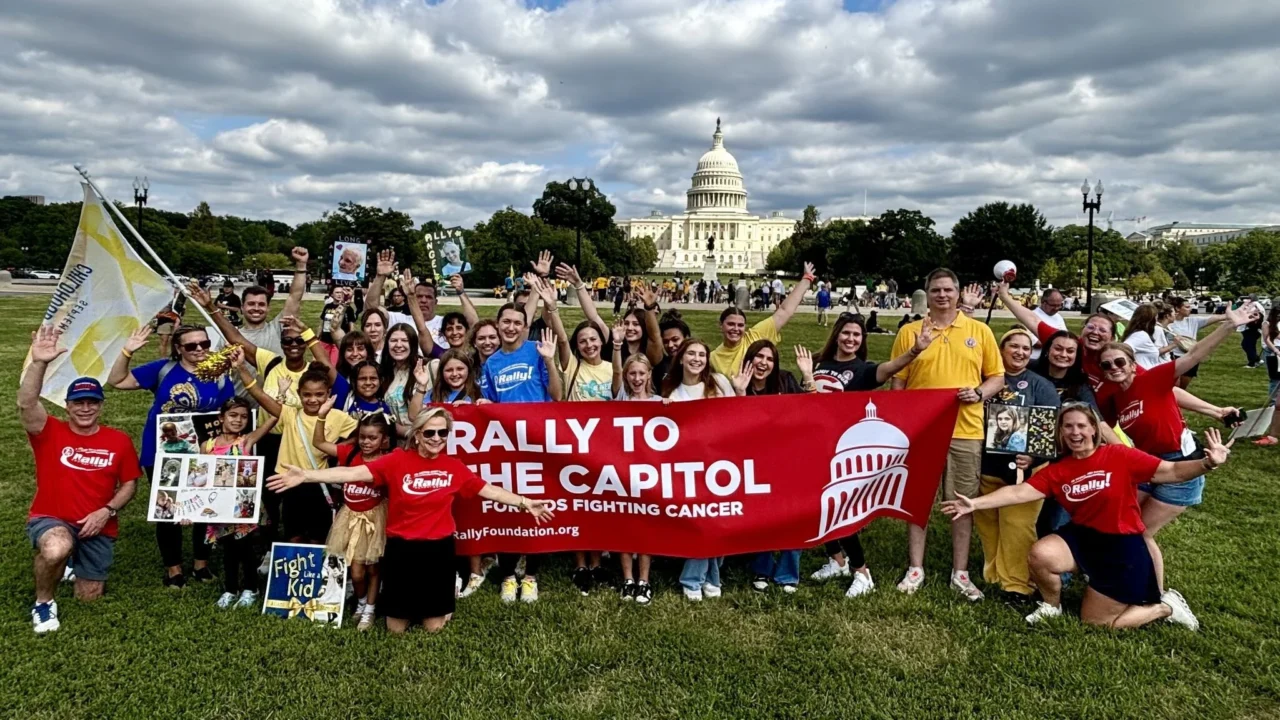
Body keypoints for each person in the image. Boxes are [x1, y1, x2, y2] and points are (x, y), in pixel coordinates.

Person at [266, 407, 555, 633]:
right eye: (430, 433)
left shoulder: (453, 467)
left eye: (443, 434)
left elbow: (487, 489)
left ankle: (446, 593)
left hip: (438, 550)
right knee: (396, 628)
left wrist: (524, 502)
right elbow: (351, 474)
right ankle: (413, 603)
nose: (437, 440)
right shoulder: (396, 461)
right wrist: (306, 475)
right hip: (402, 548)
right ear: (416, 435)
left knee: (433, 628)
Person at [942, 404, 1228, 629]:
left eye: (1081, 425)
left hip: (1122, 546)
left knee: (1096, 622)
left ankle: (1165, 607)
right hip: (1083, 535)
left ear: (1094, 428)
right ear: (1061, 433)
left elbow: (1172, 471)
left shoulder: (1119, 455)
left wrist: (1207, 463)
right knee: (1041, 555)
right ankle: (1051, 607)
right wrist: (974, 504)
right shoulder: (1059, 469)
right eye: (1068, 427)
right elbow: (1019, 493)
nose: (1075, 432)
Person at [1094, 301, 1259, 588]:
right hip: (1148, 464)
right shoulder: (1111, 394)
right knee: (1122, 520)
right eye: (1107, 365)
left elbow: (1194, 355)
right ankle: (1116, 572)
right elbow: (1104, 424)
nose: (1114, 368)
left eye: (1120, 362)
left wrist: (1228, 326)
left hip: (1181, 464)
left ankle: (1158, 595)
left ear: (1133, 365)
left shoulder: (1152, 378)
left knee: (1142, 532)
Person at [890, 268, 1005, 601]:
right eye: (936, 290)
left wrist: (980, 394)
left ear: (957, 294)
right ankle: (916, 568)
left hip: (965, 429)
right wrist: (901, 420)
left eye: (948, 290)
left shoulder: (979, 331)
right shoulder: (910, 331)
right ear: (927, 294)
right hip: (921, 431)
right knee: (918, 501)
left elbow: (996, 377)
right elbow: (898, 381)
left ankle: (961, 572)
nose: (942, 295)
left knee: (962, 504)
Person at [21, 326, 141, 633]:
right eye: (78, 402)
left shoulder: (119, 440)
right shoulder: (49, 432)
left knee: (89, 597)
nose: (85, 408)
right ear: (68, 405)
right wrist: (39, 362)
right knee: (56, 548)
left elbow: (129, 484)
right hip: (53, 517)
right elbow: (26, 404)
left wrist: (107, 511)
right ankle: (44, 603)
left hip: (97, 524)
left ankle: (72, 565)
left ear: (101, 405)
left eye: (92, 402)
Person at [804, 312, 932, 597]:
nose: (851, 339)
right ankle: (837, 560)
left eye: (857, 335)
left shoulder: (863, 370)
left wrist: (915, 350)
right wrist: (805, 374)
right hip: (817, 443)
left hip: (845, 444)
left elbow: (889, 368)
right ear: (837, 334)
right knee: (820, 505)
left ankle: (862, 571)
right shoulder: (818, 362)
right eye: (846, 333)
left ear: (862, 341)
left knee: (840, 510)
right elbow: (804, 403)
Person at [108, 322, 235, 588]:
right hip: (164, 451)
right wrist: (127, 352)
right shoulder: (163, 369)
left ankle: (201, 562)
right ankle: (173, 568)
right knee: (169, 509)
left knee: (204, 505)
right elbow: (117, 381)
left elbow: (229, 410)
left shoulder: (219, 373)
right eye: (191, 345)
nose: (200, 349)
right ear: (178, 349)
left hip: (204, 449)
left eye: (205, 344)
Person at [482, 298, 560, 602]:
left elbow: (556, 395)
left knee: (538, 508)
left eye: (517, 323)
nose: (511, 327)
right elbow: (489, 404)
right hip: (506, 446)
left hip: (538, 443)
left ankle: (530, 576)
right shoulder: (492, 363)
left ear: (525, 327)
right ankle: (507, 575)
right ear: (498, 325)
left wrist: (550, 361)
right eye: (506, 322)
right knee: (508, 509)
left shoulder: (536, 351)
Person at [973, 328, 1060, 602]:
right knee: (988, 525)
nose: (1021, 352)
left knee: (1017, 527)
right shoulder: (983, 380)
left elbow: (1051, 428)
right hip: (986, 467)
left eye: (1026, 348)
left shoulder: (1039, 385)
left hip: (1026, 472)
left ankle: (1018, 584)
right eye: (1014, 346)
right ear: (1001, 349)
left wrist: (1034, 457)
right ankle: (995, 574)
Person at [237, 356, 358, 544]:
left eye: (319, 394)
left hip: (319, 482)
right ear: (299, 394)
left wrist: (336, 449)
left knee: (318, 537)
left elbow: (359, 435)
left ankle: (316, 570)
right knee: (293, 534)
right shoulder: (289, 413)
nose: (313, 400)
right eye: (307, 395)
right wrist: (241, 367)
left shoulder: (338, 417)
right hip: (290, 482)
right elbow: (259, 395)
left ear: (328, 393)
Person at [661, 338, 744, 600]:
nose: (697, 359)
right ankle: (697, 578)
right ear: (681, 358)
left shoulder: (719, 383)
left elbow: (738, 417)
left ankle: (707, 575)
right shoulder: (671, 391)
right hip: (691, 465)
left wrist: (740, 392)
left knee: (719, 519)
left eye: (702, 354)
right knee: (702, 520)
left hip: (722, 461)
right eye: (691, 354)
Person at [312, 410, 394, 631]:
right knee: (356, 571)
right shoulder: (349, 453)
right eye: (362, 436)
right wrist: (322, 415)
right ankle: (360, 601)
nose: (366, 442)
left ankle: (370, 608)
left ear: (384, 439)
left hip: (375, 517)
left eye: (372, 437)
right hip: (349, 516)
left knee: (372, 568)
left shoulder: (388, 460)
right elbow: (318, 442)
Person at [737, 341, 806, 593]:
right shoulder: (739, 385)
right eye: (759, 357)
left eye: (770, 359)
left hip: (788, 459)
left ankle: (788, 573)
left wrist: (808, 376)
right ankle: (762, 568)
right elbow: (733, 425)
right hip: (755, 463)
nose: (763, 363)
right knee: (762, 515)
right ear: (749, 359)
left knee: (793, 515)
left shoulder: (785, 381)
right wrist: (740, 393)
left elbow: (813, 411)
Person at [202, 398, 279, 610]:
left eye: (244, 417)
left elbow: (274, 417)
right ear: (221, 417)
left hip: (242, 505)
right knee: (228, 549)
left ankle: (251, 588)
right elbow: (198, 476)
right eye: (233, 415)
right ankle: (230, 589)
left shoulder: (245, 441)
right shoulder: (206, 446)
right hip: (219, 506)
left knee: (245, 548)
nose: (238, 420)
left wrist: (280, 395)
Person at [998, 281, 1116, 391]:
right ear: (1082, 329)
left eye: (1102, 330)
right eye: (1090, 327)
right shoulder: (1068, 343)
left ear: (1112, 338)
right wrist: (1004, 296)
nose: (1095, 332)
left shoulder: (1117, 361)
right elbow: (1033, 320)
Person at [710, 262, 815, 377]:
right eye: (731, 324)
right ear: (720, 325)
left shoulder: (755, 336)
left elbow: (784, 311)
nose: (736, 329)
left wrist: (806, 279)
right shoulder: (713, 358)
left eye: (740, 325)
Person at [239, 247, 309, 358]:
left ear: (268, 308)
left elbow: (294, 297)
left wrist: (301, 265)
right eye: (251, 303)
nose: (256, 308)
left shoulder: (277, 329)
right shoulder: (232, 336)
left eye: (261, 304)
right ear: (242, 307)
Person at [1123, 304, 1178, 370]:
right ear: (1151, 319)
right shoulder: (1141, 334)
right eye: (1156, 318)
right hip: (1143, 372)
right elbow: (1124, 348)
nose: (1156, 321)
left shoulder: (1140, 333)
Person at [1255, 305, 1280, 446]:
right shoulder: (1268, 324)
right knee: (1275, 381)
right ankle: (1272, 403)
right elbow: (1267, 339)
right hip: (1273, 353)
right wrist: (1276, 351)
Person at [1030, 288, 1067, 361]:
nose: (1056, 308)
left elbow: (1065, 338)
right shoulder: (1031, 316)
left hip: (1054, 359)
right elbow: (1035, 343)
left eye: (1059, 305)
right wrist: (1058, 343)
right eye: (1053, 305)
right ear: (1043, 302)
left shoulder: (1058, 317)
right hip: (1035, 360)